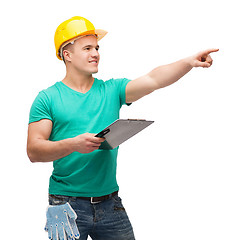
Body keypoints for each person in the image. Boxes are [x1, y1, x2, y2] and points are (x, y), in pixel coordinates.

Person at [27, 16, 218, 240]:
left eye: (97, 47)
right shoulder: (48, 98)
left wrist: (188, 62)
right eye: (87, 48)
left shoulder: (112, 90)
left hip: (110, 204)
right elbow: (34, 150)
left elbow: (154, 79)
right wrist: (74, 144)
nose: (96, 53)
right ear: (66, 55)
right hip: (67, 205)